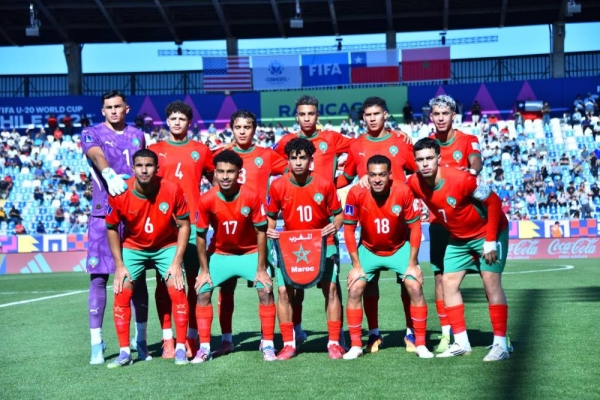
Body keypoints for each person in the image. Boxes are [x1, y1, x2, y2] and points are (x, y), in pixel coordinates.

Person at [408, 138, 510, 362]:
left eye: (429, 158)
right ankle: (462, 343)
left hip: (488, 232)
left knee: (491, 283)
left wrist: (490, 240)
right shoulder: (415, 182)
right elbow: (397, 191)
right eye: (420, 160)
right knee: (448, 283)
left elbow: (494, 202)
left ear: (439, 158)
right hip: (459, 238)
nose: (425, 164)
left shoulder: (462, 179)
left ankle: (501, 344)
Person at [336, 96, 417, 353]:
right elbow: (345, 177)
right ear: (363, 118)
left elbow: (418, 172)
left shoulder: (401, 142)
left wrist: (416, 199)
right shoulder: (356, 144)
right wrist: (321, 185)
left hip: (400, 225)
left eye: (376, 114)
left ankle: (411, 332)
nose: (372, 118)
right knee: (368, 284)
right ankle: (373, 334)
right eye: (368, 114)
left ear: (385, 115)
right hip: (370, 226)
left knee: (408, 283)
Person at [272, 95, 353, 346]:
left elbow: (360, 149)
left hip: (324, 218)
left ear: (317, 115)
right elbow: (268, 160)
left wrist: (343, 179)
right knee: (293, 286)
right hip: (294, 229)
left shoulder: (331, 138)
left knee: (331, 285)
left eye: (311, 113)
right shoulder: (286, 141)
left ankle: (336, 336)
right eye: (302, 114)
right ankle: (295, 332)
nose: (307, 118)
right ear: (296, 116)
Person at [209, 110, 287, 358]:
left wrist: (273, 210)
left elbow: (293, 173)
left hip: (257, 235)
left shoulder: (266, 155)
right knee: (225, 290)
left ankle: (267, 341)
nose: (242, 131)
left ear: (255, 129)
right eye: (238, 127)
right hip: (227, 235)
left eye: (247, 127)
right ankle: (226, 340)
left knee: (265, 288)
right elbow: (210, 185)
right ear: (231, 128)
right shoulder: (220, 155)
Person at [105, 149, 190, 368]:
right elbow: (111, 228)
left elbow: (184, 225)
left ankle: (180, 348)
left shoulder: (172, 189)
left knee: (177, 288)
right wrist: (119, 265)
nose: (144, 170)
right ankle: (125, 352)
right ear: (132, 168)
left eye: (149, 165)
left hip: (166, 246)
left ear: (157, 168)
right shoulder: (120, 192)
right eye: (140, 166)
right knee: (121, 290)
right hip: (133, 247)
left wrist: (177, 262)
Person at [342, 155, 433, 359]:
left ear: (390, 175)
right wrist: (356, 265)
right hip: (369, 249)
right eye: (373, 175)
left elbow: (415, 227)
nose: (377, 179)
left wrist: (412, 263)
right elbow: (348, 229)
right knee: (355, 288)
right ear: (367, 175)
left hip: (399, 248)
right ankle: (358, 344)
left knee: (414, 286)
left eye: (382, 175)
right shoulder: (356, 192)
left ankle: (419, 342)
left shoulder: (403, 191)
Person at [81, 90, 147, 365]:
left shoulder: (138, 135)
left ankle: (140, 341)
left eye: (118, 106)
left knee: (136, 277)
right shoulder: (90, 133)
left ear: (126, 108)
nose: (113, 111)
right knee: (98, 278)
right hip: (102, 213)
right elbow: (96, 155)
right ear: (103, 111)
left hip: (134, 214)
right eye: (109, 107)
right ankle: (96, 344)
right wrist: (108, 173)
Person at [192, 150, 276, 363]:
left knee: (265, 289)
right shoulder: (206, 199)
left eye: (230, 171)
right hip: (221, 254)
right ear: (215, 173)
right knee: (203, 291)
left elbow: (261, 232)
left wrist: (261, 269)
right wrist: (204, 270)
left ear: (239, 173)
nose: (225, 176)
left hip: (250, 252)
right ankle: (208, 346)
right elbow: (200, 236)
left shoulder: (251, 196)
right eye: (220, 171)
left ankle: (267, 343)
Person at [266, 138, 344, 360]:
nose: (298, 162)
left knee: (331, 289)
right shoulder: (278, 185)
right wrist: (271, 230)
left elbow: (338, 214)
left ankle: (334, 342)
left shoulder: (324, 184)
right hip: (290, 246)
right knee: (284, 291)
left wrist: (334, 226)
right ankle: (288, 344)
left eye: (303, 158)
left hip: (324, 244)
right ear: (288, 160)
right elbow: (270, 217)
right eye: (294, 158)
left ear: (311, 160)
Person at [148, 100, 214, 359]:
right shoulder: (154, 150)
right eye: (173, 118)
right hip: (165, 225)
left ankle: (192, 337)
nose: (177, 123)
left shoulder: (201, 150)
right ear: (167, 121)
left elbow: (216, 181)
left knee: (196, 282)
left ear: (189, 122)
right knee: (165, 283)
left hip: (194, 224)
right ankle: (168, 338)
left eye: (182, 119)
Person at [424, 94, 484, 353]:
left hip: (468, 221)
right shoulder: (427, 145)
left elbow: (476, 161)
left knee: (487, 277)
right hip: (439, 221)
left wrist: (471, 171)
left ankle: (500, 335)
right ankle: (447, 334)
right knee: (440, 279)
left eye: (445, 113)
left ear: (453, 115)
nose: (440, 118)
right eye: (436, 114)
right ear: (431, 117)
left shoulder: (468, 139)